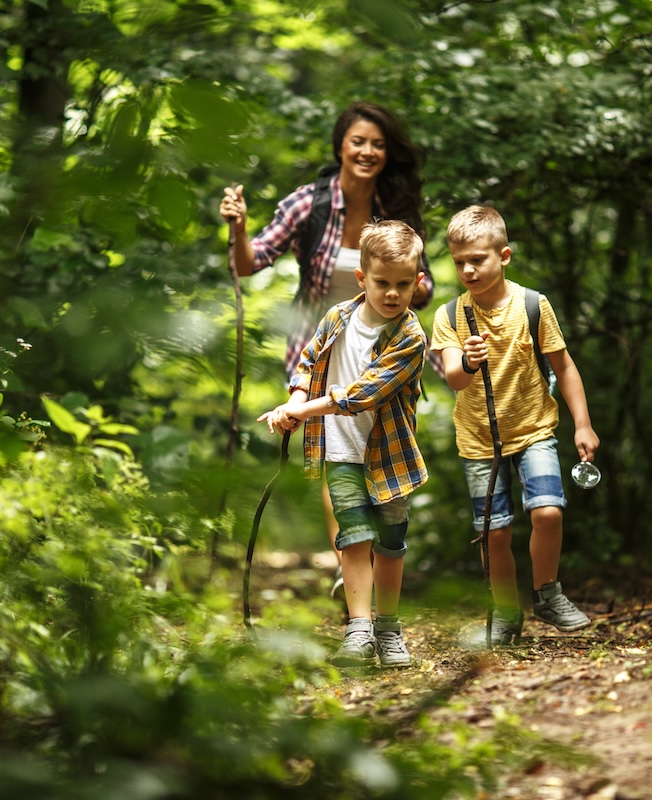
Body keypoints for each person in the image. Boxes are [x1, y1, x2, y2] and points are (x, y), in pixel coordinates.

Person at [219, 101, 434, 600]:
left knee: (379, 443)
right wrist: (238, 227)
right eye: (359, 140)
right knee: (336, 450)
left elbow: (421, 288)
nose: (368, 151)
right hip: (321, 345)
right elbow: (250, 264)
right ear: (340, 144)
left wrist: (402, 287)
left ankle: (371, 556)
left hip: (383, 347)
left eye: (378, 144)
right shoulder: (307, 205)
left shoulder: (395, 208)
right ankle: (350, 561)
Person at [258, 220, 428, 667]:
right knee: (352, 539)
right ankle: (359, 629)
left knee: (390, 545)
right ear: (361, 279)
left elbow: (361, 394)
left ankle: (389, 629)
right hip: (339, 453)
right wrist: (294, 400)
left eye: (403, 284)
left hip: (389, 457)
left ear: (418, 282)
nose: (393, 293)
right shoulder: (337, 317)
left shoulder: (410, 337)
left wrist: (301, 410)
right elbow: (309, 360)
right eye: (382, 283)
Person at [430, 205, 599, 645]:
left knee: (547, 511)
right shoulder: (450, 315)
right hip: (478, 437)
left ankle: (547, 593)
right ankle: (505, 611)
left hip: (534, 428)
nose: (467, 270)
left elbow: (563, 368)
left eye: (477, 260)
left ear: (503, 256)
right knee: (494, 532)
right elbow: (453, 377)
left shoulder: (532, 305)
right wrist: (468, 360)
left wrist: (583, 424)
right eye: (459, 262)